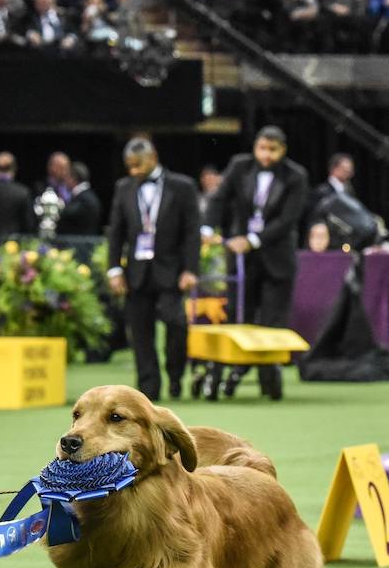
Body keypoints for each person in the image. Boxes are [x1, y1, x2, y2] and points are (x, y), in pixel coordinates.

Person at [205, 125, 310, 401]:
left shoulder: (296, 176)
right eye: (262, 148)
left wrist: (252, 239)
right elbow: (219, 199)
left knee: (273, 323)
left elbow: (288, 220)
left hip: (278, 257)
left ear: (282, 150)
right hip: (242, 260)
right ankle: (233, 372)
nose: (266, 155)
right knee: (240, 317)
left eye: (272, 150)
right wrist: (207, 229)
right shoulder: (239, 166)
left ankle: (270, 382)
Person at [105, 137, 200, 401]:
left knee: (176, 324)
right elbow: (116, 233)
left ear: (153, 157)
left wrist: (191, 269)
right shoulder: (123, 188)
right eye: (129, 166)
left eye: (138, 165)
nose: (133, 171)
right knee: (140, 331)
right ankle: (149, 389)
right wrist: (114, 269)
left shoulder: (183, 186)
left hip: (171, 272)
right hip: (136, 273)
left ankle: (176, 374)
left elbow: (192, 232)